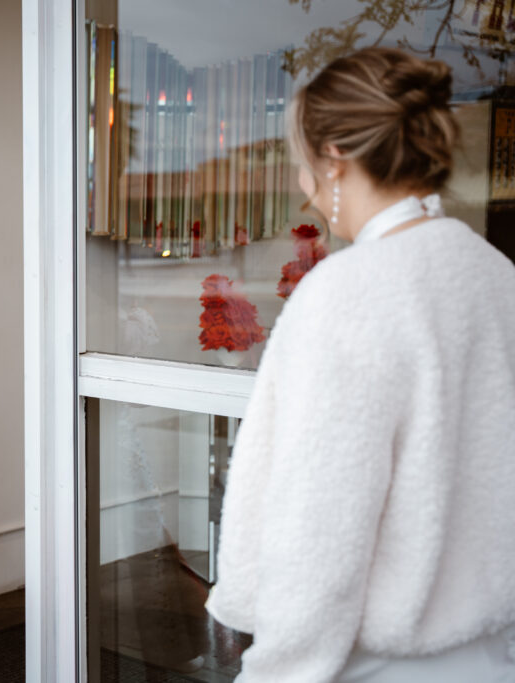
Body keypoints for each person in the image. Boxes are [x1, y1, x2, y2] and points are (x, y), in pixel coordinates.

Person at [206, 48, 515, 682]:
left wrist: (277, 671)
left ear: (336, 160)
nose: (303, 187)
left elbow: (319, 524)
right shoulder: (494, 274)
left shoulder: (347, 294)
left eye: (302, 165)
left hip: (370, 665)